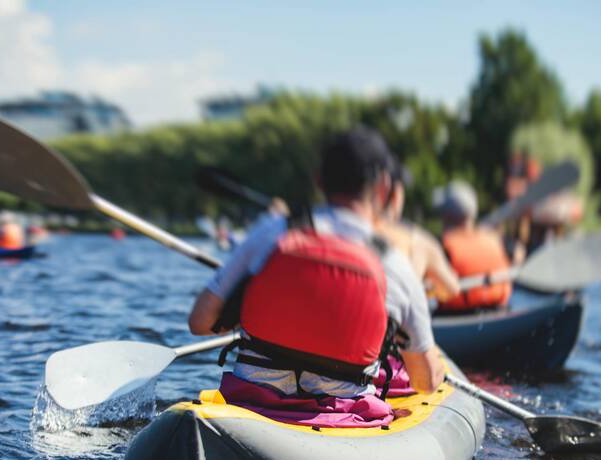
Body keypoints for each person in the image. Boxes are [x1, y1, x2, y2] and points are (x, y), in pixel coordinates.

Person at [188, 126, 443, 411]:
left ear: (318, 180)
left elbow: (199, 322)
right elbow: (426, 382)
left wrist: (245, 309)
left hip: (251, 404)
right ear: (383, 187)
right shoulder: (395, 265)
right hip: (339, 418)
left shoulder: (271, 233)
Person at [375, 157, 460, 303]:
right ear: (394, 194)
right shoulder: (419, 242)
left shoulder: (342, 232)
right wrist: (425, 288)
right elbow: (453, 288)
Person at [435, 181, 514, 312]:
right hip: (500, 310)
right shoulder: (496, 239)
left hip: (457, 316)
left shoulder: (442, 247)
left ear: (446, 216)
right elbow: (517, 255)